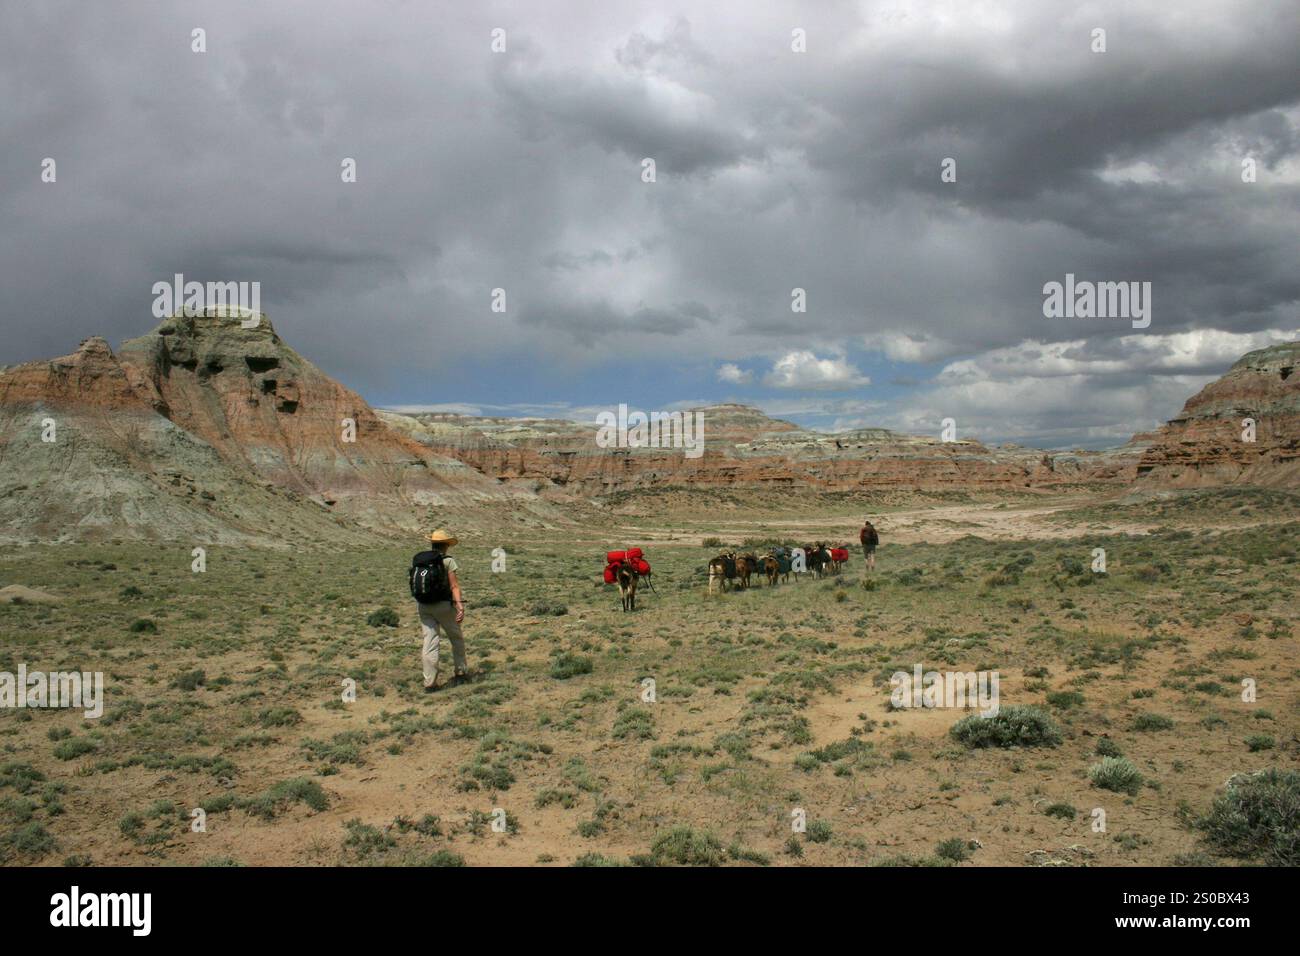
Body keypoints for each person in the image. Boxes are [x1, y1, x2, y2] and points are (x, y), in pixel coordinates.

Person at [411, 528, 467, 692]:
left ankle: (429, 682)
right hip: (443, 605)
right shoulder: (448, 561)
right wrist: (460, 606)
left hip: (424, 605)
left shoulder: (420, 561)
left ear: (432, 543)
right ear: (446, 545)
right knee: (456, 637)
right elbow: (454, 586)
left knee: (429, 643)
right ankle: (460, 672)